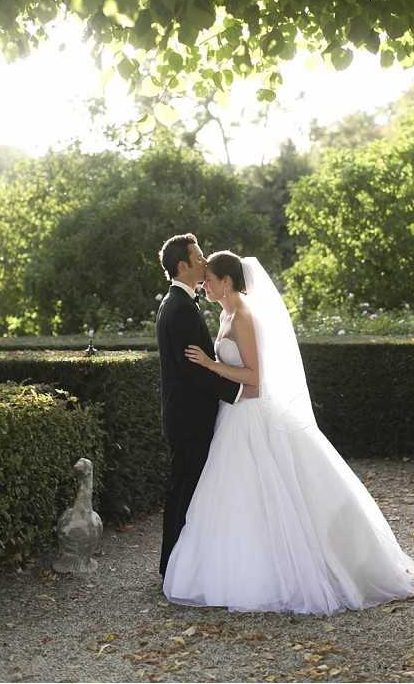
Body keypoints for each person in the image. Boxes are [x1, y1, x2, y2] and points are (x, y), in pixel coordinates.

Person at [163, 251, 414, 614]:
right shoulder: (225, 313)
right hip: (232, 416)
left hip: (250, 415)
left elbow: (255, 378)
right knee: (234, 497)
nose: (204, 282)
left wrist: (211, 364)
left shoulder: (242, 316)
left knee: (269, 492)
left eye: (209, 276)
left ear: (226, 281)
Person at [156, 234, 259, 579]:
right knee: (185, 489)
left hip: (189, 414)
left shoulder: (181, 303)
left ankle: (180, 564)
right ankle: (175, 566)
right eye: (198, 257)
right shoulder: (180, 308)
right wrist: (238, 393)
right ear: (183, 265)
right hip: (189, 417)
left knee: (190, 489)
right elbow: (194, 370)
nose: (204, 262)